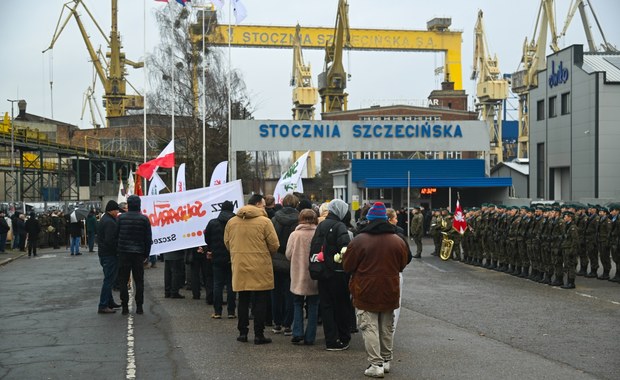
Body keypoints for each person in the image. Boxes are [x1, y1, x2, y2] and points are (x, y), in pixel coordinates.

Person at [343, 202, 409, 378]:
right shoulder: (398, 240)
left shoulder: (360, 240)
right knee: (386, 326)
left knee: (369, 325)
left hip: (366, 289)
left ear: (369, 219)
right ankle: (386, 360)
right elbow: (403, 263)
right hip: (390, 288)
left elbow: (347, 265)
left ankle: (376, 363)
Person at [224, 194, 279, 345]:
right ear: (257, 204)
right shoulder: (265, 222)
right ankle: (259, 334)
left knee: (243, 299)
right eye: (262, 205)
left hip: (240, 264)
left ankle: (242, 332)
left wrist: (237, 253)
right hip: (260, 266)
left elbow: (227, 243)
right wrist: (266, 254)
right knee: (260, 300)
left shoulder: (232, 222)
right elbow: (274, 244)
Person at [309, 199, 353, 351]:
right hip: (337, 272)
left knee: (326, 306)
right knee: (341, 306)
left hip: (322, 272)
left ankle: (330, 339)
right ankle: (343, 337)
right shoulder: (339, 226)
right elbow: (345, 250)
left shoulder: (321, 225)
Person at [286, 209, 319, 345]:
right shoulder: (318, 233)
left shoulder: (295, 235)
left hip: (298, 274)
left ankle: (297, 332)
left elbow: (288, 254)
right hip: (314, 274)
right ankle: (310, 336)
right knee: (313, 305)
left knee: (297, 303)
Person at [117, 195, 152, 315]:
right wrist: (146, 254)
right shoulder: (144, 219)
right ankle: (139, 306)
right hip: (138, 253)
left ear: (128, 204)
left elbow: (116, 236)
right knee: (139, 280)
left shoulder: (120, 218)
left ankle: (125, 307)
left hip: (123, 252)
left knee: (123, 280)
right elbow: (148, 238)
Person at [271, 193, 299, 335]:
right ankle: (288, 324)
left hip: (276, 259)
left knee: (276, 294)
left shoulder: (274, 219)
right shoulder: (299, 219)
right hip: (292, 260)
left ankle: (277, 323)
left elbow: (270, 239)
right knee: (290, 293)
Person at [204, 200, 236, 319]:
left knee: (217, 284)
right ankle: (231, 311)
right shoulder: (236, 223)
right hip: (232, 256)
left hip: (217, 257)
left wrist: (212, 248)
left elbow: (207, 239)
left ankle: (217, 311)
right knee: (231, 285)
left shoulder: (212, 223)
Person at [97, 200, 121, 314]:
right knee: (108, 280)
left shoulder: (105, 219)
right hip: (109, 255)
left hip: (104, 254)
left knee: (109, 279)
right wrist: (117, 250)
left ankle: (109, 302)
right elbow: (110, 240)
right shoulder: (110, 222)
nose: (118, 212)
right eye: (117, 210)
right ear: (111, 210)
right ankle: (103, 305)